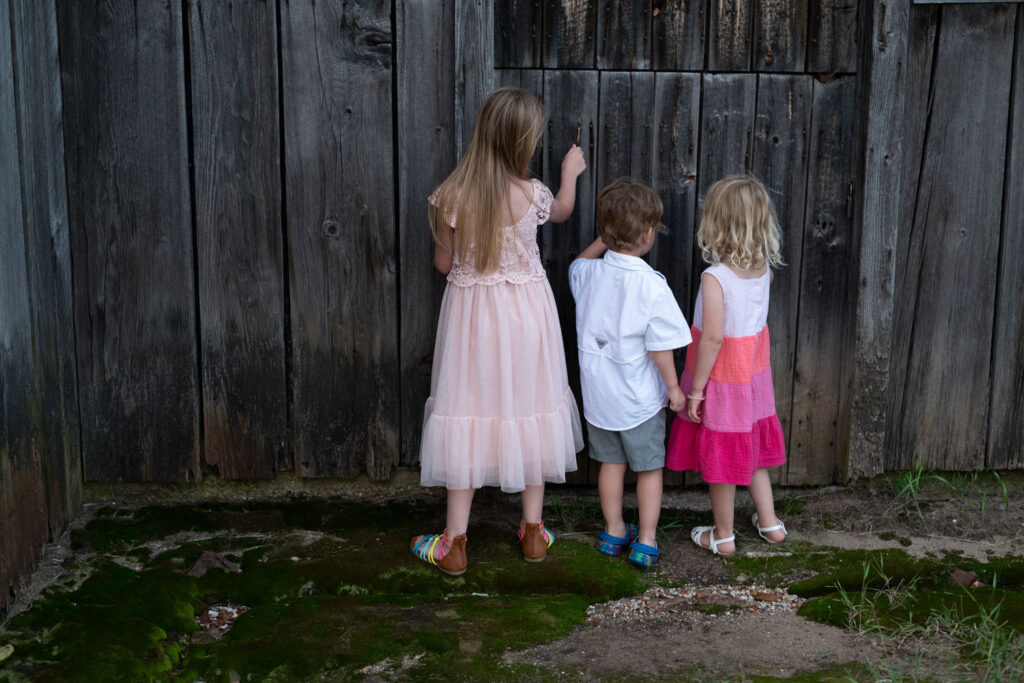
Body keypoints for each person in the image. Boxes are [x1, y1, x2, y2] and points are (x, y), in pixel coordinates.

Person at [411, 87, 587, 575]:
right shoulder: (534, 195)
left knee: (465, 408)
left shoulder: (451, 195)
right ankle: (533, 533)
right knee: (531, 405)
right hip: (529, 317)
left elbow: (445, 265)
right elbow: (564, 212)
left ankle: (455, 543)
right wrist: (570, 174)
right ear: (523, 143)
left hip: (473, 320)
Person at [569, 178, 691, 568]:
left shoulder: (586, 275)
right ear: (648, 234)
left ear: (605, 233)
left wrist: (606, 238)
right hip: (638, 402)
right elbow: (660, 347)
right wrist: (673, 389)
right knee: (648, 470)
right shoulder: (651, 286)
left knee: (611, 466)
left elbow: (580, 261)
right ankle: (647, 541)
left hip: (600, 401)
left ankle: (614, 531)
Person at [666, 175, 788, 557]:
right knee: (748, 448)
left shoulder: (715, 277)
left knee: (722, 457)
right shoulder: (764, 269)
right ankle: (770, 525)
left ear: (718, 224)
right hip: (752, 378)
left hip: (721, 380)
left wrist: (697, 390)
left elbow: (714, 338)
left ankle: (723, 535)